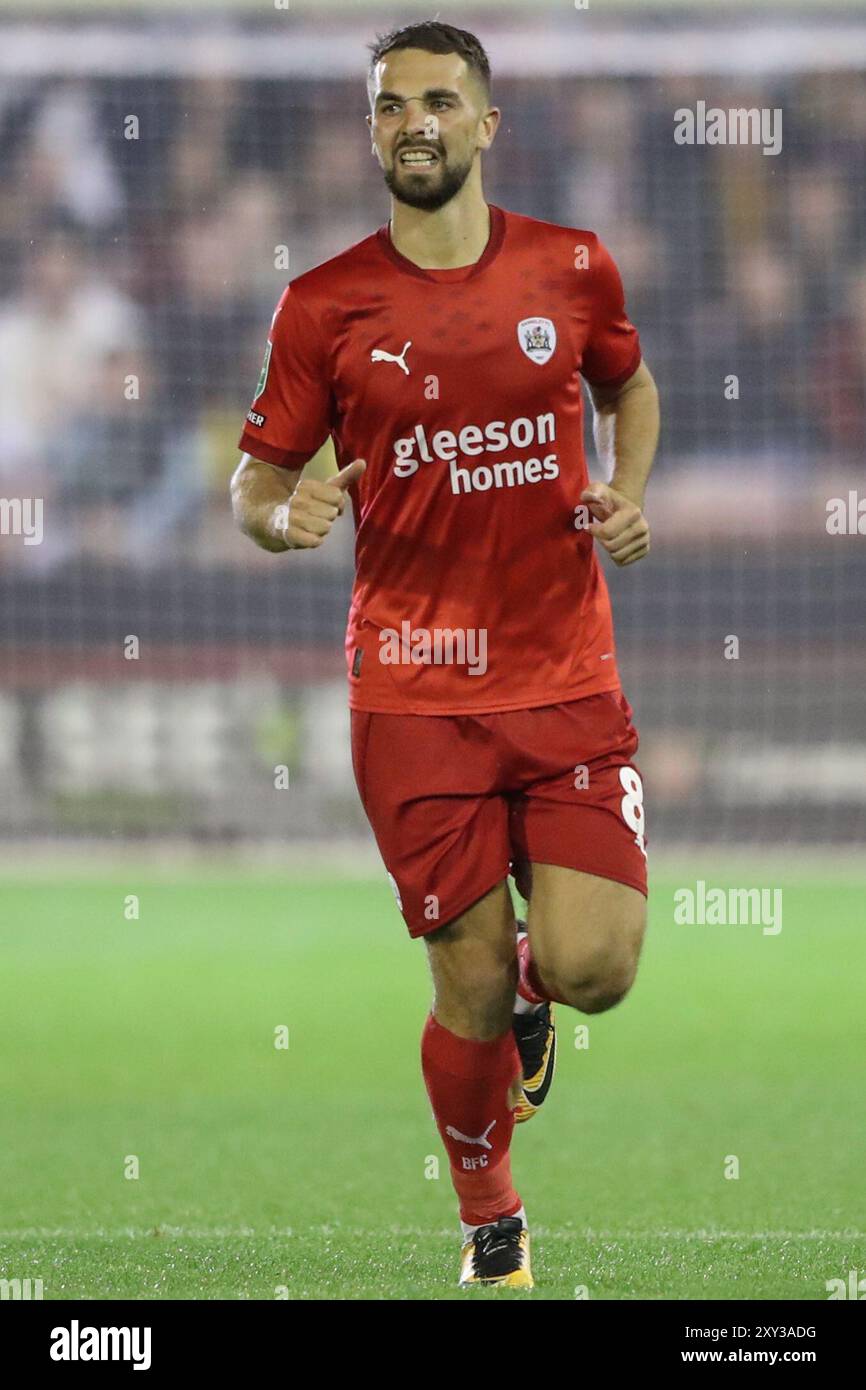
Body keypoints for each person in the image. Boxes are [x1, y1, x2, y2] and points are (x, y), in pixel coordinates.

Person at [231, 20, 660, 1290]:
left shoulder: (574, 270)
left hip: (567, 678)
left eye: (436, 99)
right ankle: (492, 1223)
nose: (411, 120)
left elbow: (627, 387)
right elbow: (254, 485)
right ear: (371, 131)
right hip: (412, 698)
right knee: (463, 991)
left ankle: (540, 986)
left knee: (594, 967)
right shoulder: (321, 305)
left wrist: (627, 489)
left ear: (484, 124)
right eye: (387, 105)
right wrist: (280, 517)